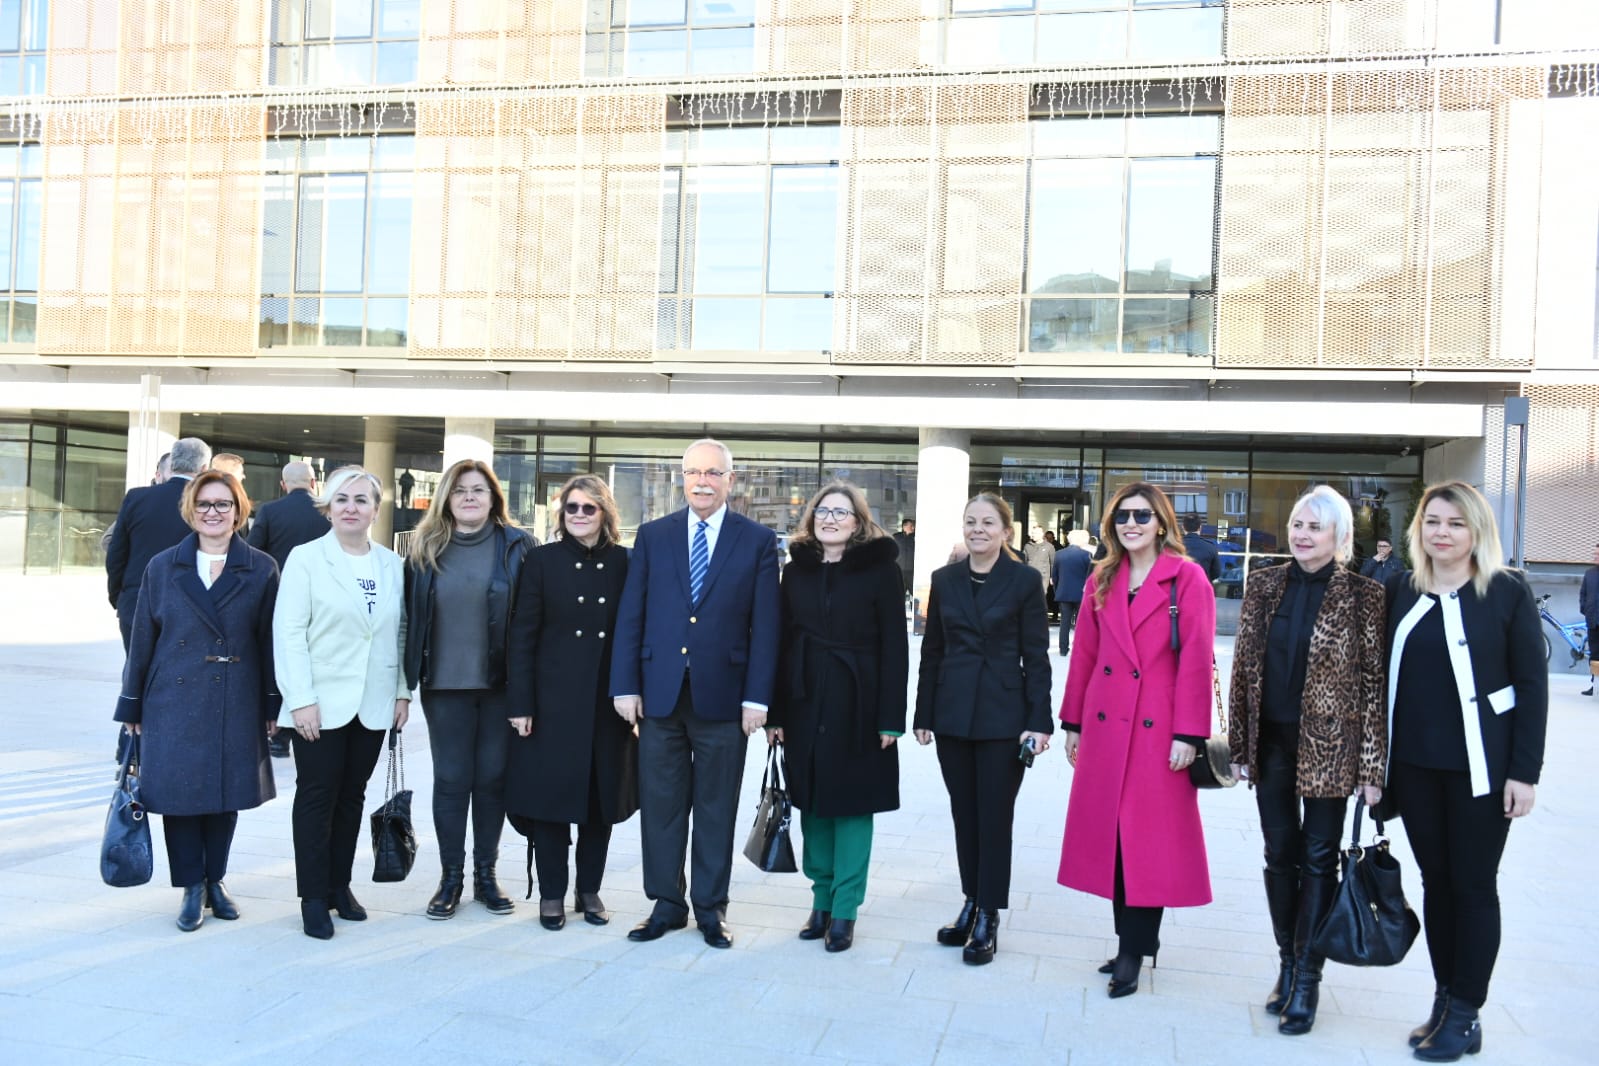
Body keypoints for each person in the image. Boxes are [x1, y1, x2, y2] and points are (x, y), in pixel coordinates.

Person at [1383, 480, 1545, 1062]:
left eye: (1455, 523)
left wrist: (1524, 772)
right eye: (1432, 521)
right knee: (1436, 885)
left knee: (1473, 887)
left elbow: (1532, 685)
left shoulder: (1506, 591)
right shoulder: (1400, 589)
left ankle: (1467, 1012)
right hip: (1415, 770)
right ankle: (1445, 997)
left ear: (1477, 530)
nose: (1442, 532)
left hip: (1482, 770)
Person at [609, 438, 781, 949]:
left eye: (713, 473)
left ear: (731, 480)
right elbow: (632, 614)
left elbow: (766, 627)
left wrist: (757, 698)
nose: (702, 481)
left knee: (715, 808)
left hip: (725, 700)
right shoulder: (654, 536)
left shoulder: (756, 540)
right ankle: (666, 904)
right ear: (681, 478)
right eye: (693, 472)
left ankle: (710, 907)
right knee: (661, 807)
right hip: (659, 696)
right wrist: (625, 685)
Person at [1227, 486, 1386, 1035]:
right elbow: (1244, 669)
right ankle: (1287, 963)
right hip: (1271, 742)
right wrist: (1240, 745)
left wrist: (1372, 768)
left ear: (1340, 536)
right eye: (1297, 524)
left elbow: (1373, 685)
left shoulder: (1364, 595)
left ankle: (1309, 977)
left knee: (1319, 859)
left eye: (1315, 527)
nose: (1302, 534)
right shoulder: (1263, 584)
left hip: (1331, 749)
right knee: (1279, 854)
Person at [1058, 482, 1215, 998]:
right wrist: (1074, 723)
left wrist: (1189, 733)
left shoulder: (1186, 577)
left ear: (1162, 522)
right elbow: (1084, 655)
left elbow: (1197, 659)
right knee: (1113, 839)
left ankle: (1133, 950)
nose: (1132, 524)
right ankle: (1133, 939)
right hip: (1107, 727)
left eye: (1142, 515)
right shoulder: (1102, 578)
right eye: (1123, 516)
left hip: (1158, 729)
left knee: (1147, 842)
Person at [112, 470, 279, 932]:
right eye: (204, 504)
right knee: (180, 794)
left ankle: (215, 880)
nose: (213, 512)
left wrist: (272, 703)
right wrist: (131, 704)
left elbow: (269, 642)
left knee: (225, 794)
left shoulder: (261, 567)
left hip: (236, 695)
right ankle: (190, 886)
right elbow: (142, 639)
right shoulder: (163, 566)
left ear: (238, 510)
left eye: (223, 504)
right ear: (190, 509)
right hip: (171, 697)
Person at [913, 493, 1052, 966]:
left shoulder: (1024, 580)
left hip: (1003, 717)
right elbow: (932, 651)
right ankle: (971, 900)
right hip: (952, 714)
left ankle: (989, 913)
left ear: (1006, 532)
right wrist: (923, 713)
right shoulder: (944, 579)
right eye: (971, 521)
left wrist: (1039, 721)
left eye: (988, 523)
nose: (978, 529)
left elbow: (1036, 656)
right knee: (964, 814)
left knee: (994, 817)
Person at [768, 483, 908, 953]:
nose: (830, 519)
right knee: (812, 804)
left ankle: (845, 908)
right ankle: (821, 900)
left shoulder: (881, 570)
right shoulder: (796, 571)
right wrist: (776, 713)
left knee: (852, 806)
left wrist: (890, 718)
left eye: (841, 512)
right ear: (811, 518)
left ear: (858, 521)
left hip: (860, 701)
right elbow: (782, 642)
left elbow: (895, 645)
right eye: (823, 511)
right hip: (805, 700)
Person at [273, 466, 411, 940]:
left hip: (373, 701)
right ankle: (313, 896)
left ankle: (339, 886)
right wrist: (300, 700)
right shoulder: (306, 559)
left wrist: (401, 691)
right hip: (320, 704)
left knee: (352, 797)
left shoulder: (391, 565)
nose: (351, 508)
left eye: (361, 500)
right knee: (317, 797)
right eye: (342, 499)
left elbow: (400, 633)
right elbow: (289, 633)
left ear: (375, 509)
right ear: (327, 508)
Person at [505, 475, 637, 931]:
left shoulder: (625, 562)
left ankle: (589, 890)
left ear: (605, 514)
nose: (579, 515)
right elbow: (522, 636)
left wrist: (633, 694)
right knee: (551, 801)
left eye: (588, 508)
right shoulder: (541, 561)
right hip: (551, 702)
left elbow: (634, 634)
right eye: (571, 507)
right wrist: (520, 703)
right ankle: (551, 894)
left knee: (600, 802)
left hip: (606, 703)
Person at [404, 459, 534, 920]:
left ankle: (486, 875)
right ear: (446, 498)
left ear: (494, 496)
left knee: (492, 779)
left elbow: (532, 621)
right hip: (444, 686)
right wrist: (402, 686)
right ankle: (450, 878)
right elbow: (408, 621)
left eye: (478, 489)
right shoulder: (423, 548)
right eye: (460, 490)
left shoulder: (518, 546)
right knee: (451, 779)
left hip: (500, 687)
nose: (469, 498)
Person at [251, 460, 331, 758]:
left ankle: (280, 735)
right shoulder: (327, 511)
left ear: (283, 485)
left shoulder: (269, 511)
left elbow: (253, 552)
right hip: (323, 600)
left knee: (282, 661)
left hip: (278, 598)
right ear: (314, 483)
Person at [106, 436, 211, 651]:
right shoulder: (211, 504)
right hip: (189, 605)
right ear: (204, 468)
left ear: (173, 464)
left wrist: (120, 598)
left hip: (135, 602)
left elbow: (116, 554)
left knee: (137, 667)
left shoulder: (136, 498)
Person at [1052, 529, 1094, 657]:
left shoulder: (1059, 554)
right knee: (1081, 623)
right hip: (1081, 593)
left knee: (1064, 622)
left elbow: (1055, 576)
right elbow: (1090, 576)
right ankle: (1080, 648)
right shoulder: (1087, 555)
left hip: (1064, 592)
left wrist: (1057, 590)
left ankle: (1063, 649)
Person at [1181, 515, 1221, 582]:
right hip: (1203, 586)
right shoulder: (1210, 547)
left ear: (1183, 527)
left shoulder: (1174, 547)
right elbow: (1216, 573)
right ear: (1200, 527)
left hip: (1181, 587)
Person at [1582, 544, 1599, 697]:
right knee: (1594, 655)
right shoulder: (1589, 574)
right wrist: (1585, 610)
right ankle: (1595, 685)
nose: (1595, 556)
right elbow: (1583, 594)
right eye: (1595, 554)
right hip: (1593, 621)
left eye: (1597, 554)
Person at [1022, 527, 1055, 596]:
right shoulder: (1027, 546)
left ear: (1042, 534)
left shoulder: (1049, 546)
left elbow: (1053, 563)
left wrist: (1052, 577)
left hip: (1043, 577)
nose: (1033, 535)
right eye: (1032, 533)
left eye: (1035, 533)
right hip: (1029, 576)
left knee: (1040, 596)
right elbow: (1024, 561)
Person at [892, 518, 916, 596]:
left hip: (912, 571)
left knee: (914, 593)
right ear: (904, 526)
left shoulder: (916, 537)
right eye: (911, 526)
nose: (913, 527)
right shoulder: (896, 537)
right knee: (898, 594)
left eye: (913, 526)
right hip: (899, 571)